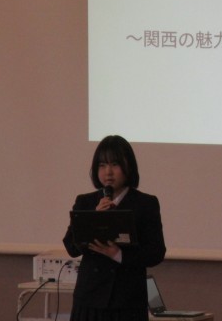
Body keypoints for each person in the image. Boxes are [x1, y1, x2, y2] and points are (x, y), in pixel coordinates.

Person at [63, 135, 166, 321]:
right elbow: (71, 246)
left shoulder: (145, 203)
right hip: (89, 299)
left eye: (115, 164)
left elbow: (156, 252)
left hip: (127, 301)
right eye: (102, 165)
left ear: (129, 167)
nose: (108, 172)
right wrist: (94, 217)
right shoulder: (86, 202)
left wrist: (118, 255)